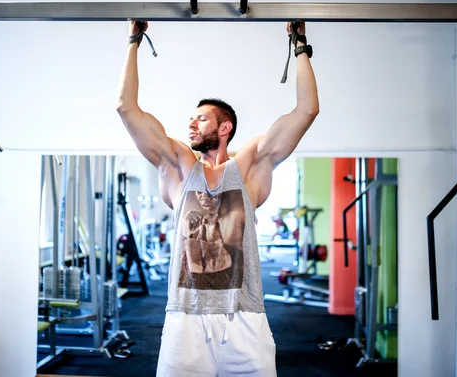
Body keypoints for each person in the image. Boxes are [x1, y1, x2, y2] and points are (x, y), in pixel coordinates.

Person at [116, 20, 319, 377]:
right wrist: (134, 40)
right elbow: (125, 108)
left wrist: (299, 45)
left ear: (224, 128)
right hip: (185, 319)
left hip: (245, 317)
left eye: (201, 119)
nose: (191, 124)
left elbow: (306, 111)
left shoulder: (251, 167)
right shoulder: (178, 168)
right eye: (191, 119)